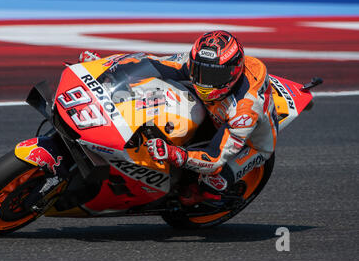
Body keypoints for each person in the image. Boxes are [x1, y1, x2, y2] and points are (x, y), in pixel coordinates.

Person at [78, 31, 279, 206]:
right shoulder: (198, 63)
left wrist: (175, 154)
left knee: (212, 183)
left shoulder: (244, 112)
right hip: (215, 110)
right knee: (155, 89)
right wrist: (105, 66)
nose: (203, 81)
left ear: (233, 73)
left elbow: (215, 159)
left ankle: (207, 196)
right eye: (199, 71)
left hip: (251, 142)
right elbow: (151, 62)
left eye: (213, 76)